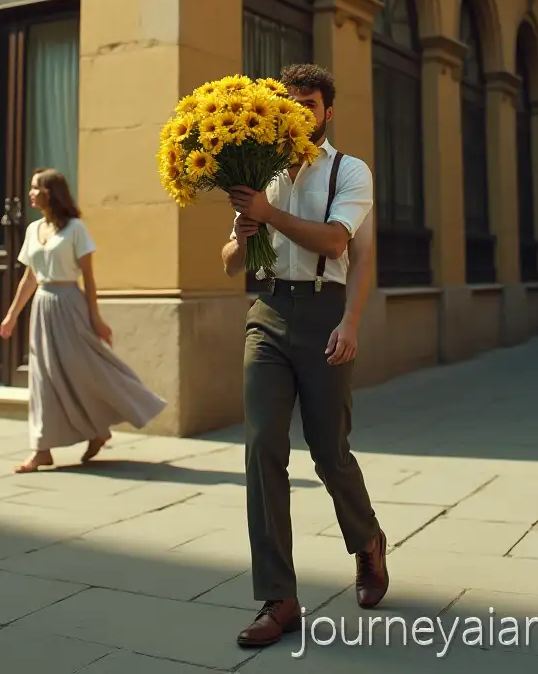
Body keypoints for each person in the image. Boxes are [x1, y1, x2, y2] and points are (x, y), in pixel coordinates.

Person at [222, 63, 388, 649]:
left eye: (309, 103)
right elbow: (230, 263)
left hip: (325, 312)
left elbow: (342, 244)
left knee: (328, 451)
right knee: (262, 447)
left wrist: (351, 322)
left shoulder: (350, 171)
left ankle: (368, 541)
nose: (297, 112)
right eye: (289, 103)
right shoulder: (261, 171)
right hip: (268, 312)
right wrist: (241, 233)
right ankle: (279, 598)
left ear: (327, 111)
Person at [0, 167, 167, 473]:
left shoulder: (75, 229)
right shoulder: (32, 229)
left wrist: (96, 319)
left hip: (70, 306)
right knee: (42, 378)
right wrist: (12, 315)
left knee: (84, 370)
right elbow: (29, 278)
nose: (31, 193)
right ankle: (41, 449)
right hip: (42, 307)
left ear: (51, 193)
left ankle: (100, 429)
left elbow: (88, 278)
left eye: (36, 188)